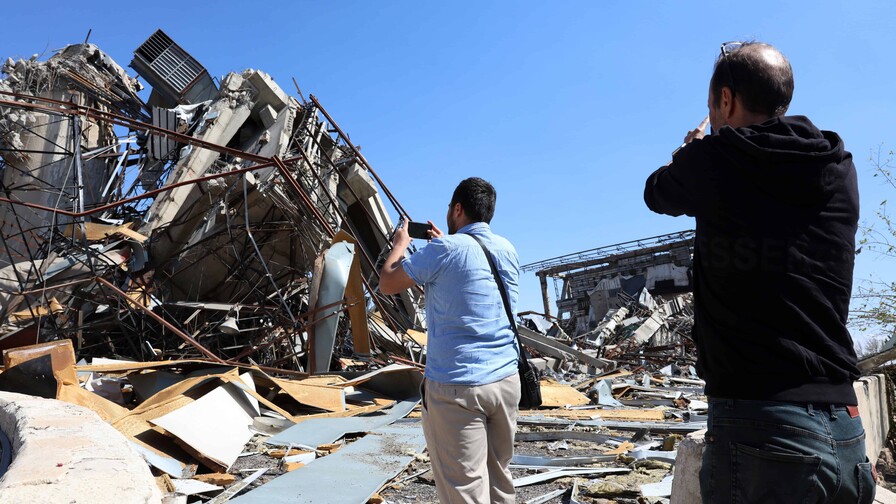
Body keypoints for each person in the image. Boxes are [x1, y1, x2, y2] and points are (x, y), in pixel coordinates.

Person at [644, 41, 875, 503]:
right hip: (845, 428)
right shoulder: (839, 166)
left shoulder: (714, 159)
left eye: (714, 105)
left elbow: (657, 192)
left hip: (759, 426)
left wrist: (688, 151)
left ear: (726, 100)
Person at [379, 177, 521, 504]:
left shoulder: (444, 250)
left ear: (457, 209)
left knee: (464, 489)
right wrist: (445, 244)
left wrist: (400, 244)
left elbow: (388, 283)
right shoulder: (506, 248)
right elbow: (468, 280)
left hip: (458, 387)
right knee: (499, 480)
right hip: (505, 381)